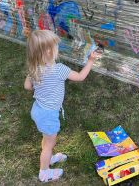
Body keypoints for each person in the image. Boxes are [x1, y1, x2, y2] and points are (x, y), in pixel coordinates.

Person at [24, 30, 98, 183]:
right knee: (49, 144)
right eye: (55, 46)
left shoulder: (34, 68)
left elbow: (27, 87)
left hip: (37, 109)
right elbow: (80, 77)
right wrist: (90, 61)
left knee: (46, 139)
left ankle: (48, 159)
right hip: (48, 115)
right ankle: (44, 172)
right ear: (50, 51)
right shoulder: (59, 69)